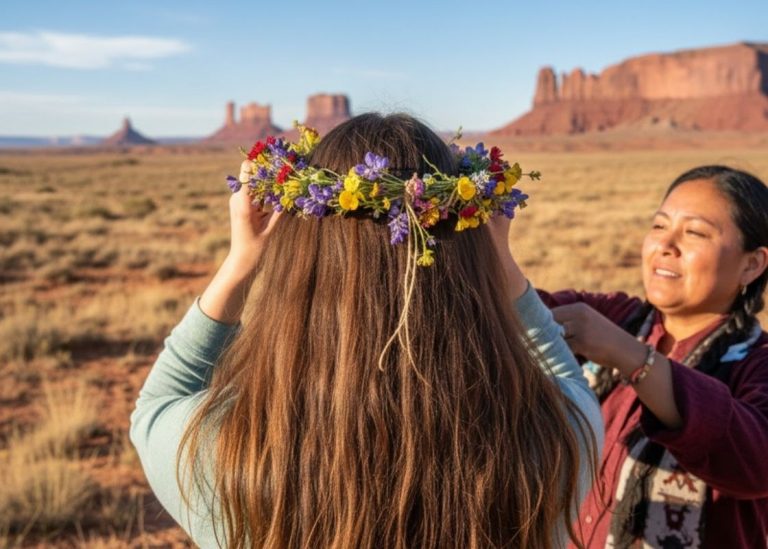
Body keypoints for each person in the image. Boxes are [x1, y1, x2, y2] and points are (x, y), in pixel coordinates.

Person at [130, 113, 603, 548]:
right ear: (469, 254)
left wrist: (240, 265)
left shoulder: (227, 455)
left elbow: (157, 405)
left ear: (299, 258)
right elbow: (566, 379)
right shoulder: (555, 441)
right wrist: (502, 263)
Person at [543, 165, 768, 548]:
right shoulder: (616, 316)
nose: (666, 245)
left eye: (694, 232)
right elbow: (507, 314)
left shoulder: (756, 363)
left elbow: (755, 462)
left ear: (752, 264)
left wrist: (631, 357)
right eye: (660, 226)